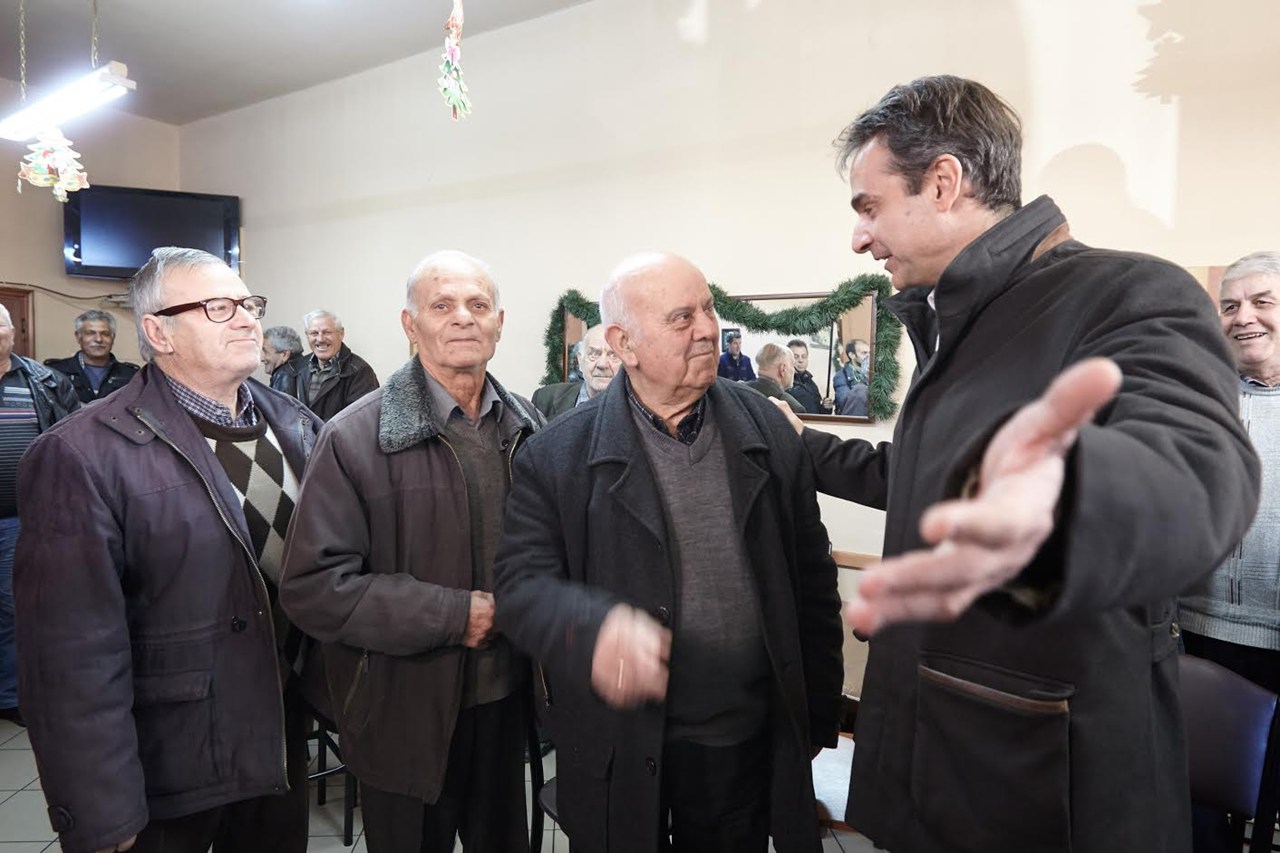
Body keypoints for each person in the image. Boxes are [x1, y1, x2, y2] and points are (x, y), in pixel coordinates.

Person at [777, 75, 1258, 853]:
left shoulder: (1129, 294)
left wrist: (1065, 496)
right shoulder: (961, 322)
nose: (860, 238)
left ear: (943, 183)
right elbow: (930, 480)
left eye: (869, 206)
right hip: (935, 760)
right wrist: (799, 444)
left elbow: (1197, 474)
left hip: (1041, 785)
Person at [493, 252, 843, 853]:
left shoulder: (767, 428)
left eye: (707, 309)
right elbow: (520, 588)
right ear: (623, 344)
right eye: (682, 318)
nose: (708, 329)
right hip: (621, 744)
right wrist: (591, 630)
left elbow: (812, 576)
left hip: (742, 735)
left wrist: (816, 710)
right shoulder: (556, 455)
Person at [14, 247, 320, 853]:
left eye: (248, 304)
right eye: (218, 307)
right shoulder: (81, 454)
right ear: (158, 332)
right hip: (169, 767)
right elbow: (70, 655)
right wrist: (100, 807)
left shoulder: (296, 424)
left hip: (277, 743)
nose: (246, 318)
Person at [281, 250, 542, 853]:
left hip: (506, 700)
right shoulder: (354, 436)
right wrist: (455, 615)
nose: (463, 318)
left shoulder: (526, 426)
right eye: (442, 305)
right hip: (400, 707)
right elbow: (314, 587)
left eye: (478, 305)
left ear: (500, 322)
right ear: (410, 324)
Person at [1179, 250, 1280, 853]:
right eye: (1230, 306)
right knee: (1198, 805)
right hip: (1202, 633)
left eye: (1263, 302)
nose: (1244, 318)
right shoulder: (1199, 401)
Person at [0, 306, 79, 728]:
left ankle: (12, 695)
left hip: (20, 517)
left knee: (14, 608)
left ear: (13, 333)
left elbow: (73, 441)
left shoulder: (46, 381)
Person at [44, 309, 139, 403]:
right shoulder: (55, 372)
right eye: (90, 333)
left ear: (113, 337)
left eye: (105, 334)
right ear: (78, 337)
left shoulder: (131, 375)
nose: (98, 339)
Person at [302, 309, 379, 420]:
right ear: (307, 336)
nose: (320, 339)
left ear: (341, 333)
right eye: (314, 333)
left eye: (327, 332)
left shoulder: (360, 372)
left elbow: (362, 421)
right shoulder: (297, 369)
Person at [532, 324, 620, 419]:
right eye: (594, 354)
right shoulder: (546, 399)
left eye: (614, 355)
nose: (602, 364)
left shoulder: (632, 409)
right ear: (580, 361)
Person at [745, 342, 805, 414]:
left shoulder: (737, 391)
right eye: (792, 365)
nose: (794, 371)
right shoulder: (792, 407)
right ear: (783, 369)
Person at [261, 325, 309, 400]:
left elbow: (278, 406)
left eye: (266, 352)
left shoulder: (283, 375)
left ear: (285, 355)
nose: (262, 358)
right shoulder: (307, 368)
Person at [786, 339, 831, 414]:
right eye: (796, 357)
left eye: (804, 356)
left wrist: (826, 407)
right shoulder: (785, 382)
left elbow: (818, 413)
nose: (801, 360)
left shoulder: (810, 383)